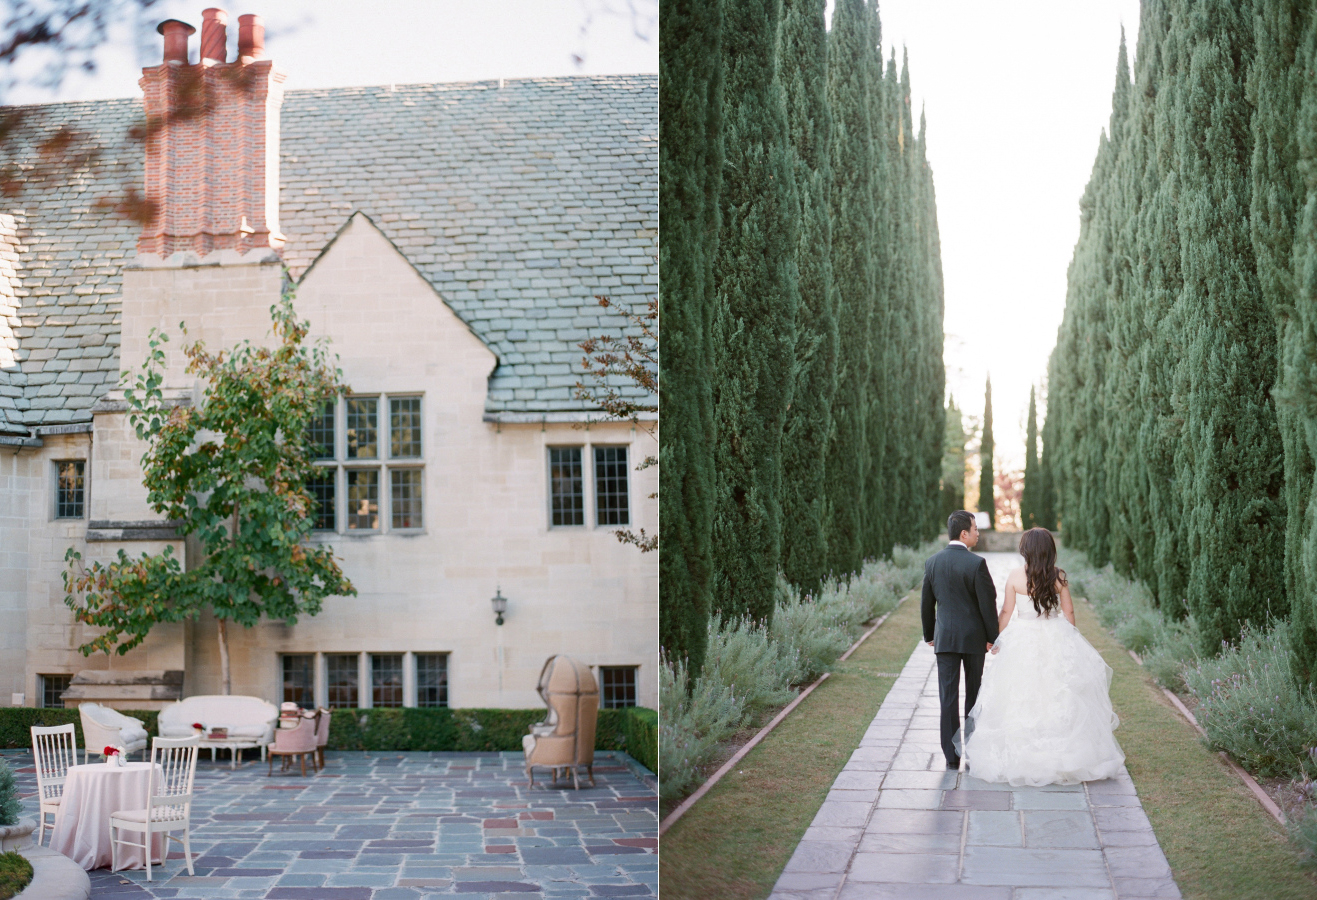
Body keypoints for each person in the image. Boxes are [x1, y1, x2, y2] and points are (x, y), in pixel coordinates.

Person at [961, 527, 1125, 786]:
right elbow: (1069, 613)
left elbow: (1006, 612)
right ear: (1050, 550)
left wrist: (994, 638)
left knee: (1021, 691)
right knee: (1058, 690)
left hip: (1022, 638)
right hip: (1055, 632)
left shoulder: (1015, 576)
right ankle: (1063, 750)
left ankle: (1022, 752)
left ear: (1025, 550)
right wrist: (1070, 639)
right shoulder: (1058, 576)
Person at [921, 510, 999, 770]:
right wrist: (992, 637)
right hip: (974, 640)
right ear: (964, 533)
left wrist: (930, 634)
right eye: (975, 529)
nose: (978, 533)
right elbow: (988, 604)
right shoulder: (976, 563)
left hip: (945, 639)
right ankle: (972, 750)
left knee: (948, 698)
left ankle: (951, 756)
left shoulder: (932, 562)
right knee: (973, 695)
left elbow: (926, 603)